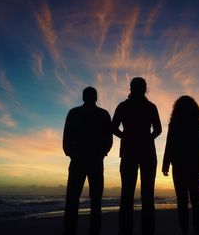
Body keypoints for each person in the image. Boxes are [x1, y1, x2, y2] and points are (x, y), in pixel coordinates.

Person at [112, 77, 162, 235]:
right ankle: (147, 231)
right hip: (146, 152)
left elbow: (113, 128)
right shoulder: (150, 107)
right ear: (144, 88)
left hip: (129, 152)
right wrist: (148, 138)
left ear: (131, 88)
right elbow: (158, 129)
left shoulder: (123, 106)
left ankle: (125, 231)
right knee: (147, 196)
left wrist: (125, 137)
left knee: (127, 194)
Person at [63, 87, 113, 235]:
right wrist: (102, 153)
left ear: (83, 97)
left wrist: (70, 153)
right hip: (94, 161)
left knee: (73, 199)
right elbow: (108, 140)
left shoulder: (74, 112)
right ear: (95, 97)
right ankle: (94, 230)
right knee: (95, 200)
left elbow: (66, 137)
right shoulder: (103, 114)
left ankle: (69, 231)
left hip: (79, 159)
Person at [162, 96, 199, 235]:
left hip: (179, 165)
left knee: (182, 200)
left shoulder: (175, 123)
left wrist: (165, 164)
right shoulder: (198, 123)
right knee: (196, 198)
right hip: (195, 165)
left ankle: (184, 230)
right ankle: (197, 228)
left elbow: (169, 144)